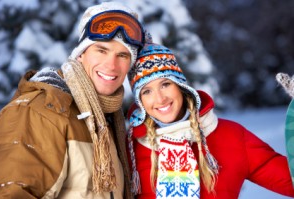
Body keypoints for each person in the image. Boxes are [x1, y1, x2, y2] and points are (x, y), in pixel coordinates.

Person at [0, 2, 145, 198]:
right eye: (101, 50)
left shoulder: (105, 121)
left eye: (122, 55)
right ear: (81, 54)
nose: (112, 65)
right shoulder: (41, 111)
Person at [126, 43, 294, 199]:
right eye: (147, 91)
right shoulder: (131, 148)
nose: (160, 98)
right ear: (140, 100)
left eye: (165, 84)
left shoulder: (232, 136)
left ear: (181, 86)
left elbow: (289, 181)